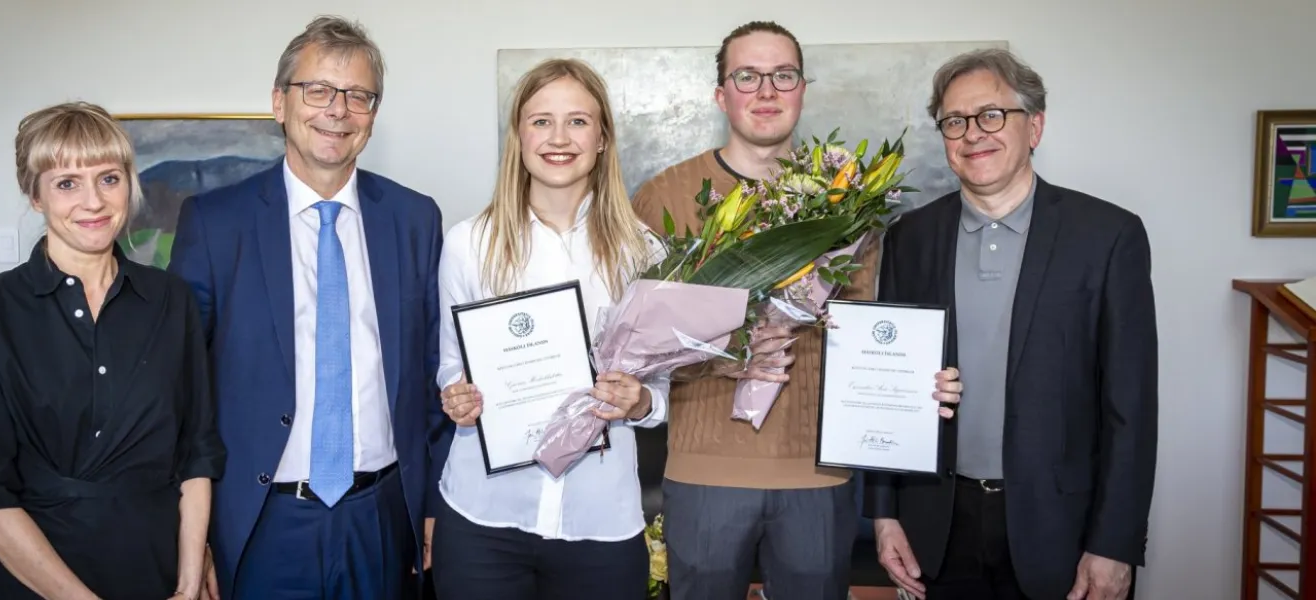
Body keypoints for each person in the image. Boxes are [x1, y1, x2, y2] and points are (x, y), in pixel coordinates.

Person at [630, 21, 963, 600]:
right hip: (704, 472)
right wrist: (730, 351)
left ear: (803, 89)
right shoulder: (666, 196)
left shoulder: (851, 198)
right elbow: (640, 342)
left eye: (783, 75)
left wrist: (915, 383)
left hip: (821, 475)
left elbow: (869, 330)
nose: (766, 90)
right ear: (720, 95)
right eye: (747, 76)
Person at [167, 15, 451, 600]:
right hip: (260, 522)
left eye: (358, 95)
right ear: (280, 103)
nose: (337, 110)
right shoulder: (216, 223)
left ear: (373, 114)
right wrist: (194, 537)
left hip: (382, 517)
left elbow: (434, 372)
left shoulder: (414, 218)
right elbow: (181, 389)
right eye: (318, 90)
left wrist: (433, 505)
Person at [866, 47, 1158, 600]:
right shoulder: (910, 239)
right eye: (955, 121)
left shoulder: (1108, 237)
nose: (973, 133)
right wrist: (885, 516)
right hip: (936, 528)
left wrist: (1115, 543)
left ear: (1035, 127)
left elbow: (1132, 409)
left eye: (992, 115)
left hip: (1065, 532)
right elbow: (886, 386)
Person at [0, 101, 224, 600]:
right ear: (35, 196)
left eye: (109, 179)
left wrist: (189, 578)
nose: (94, 202)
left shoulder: (171, 300)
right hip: (37, 578)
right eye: (67, 183)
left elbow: (197, 450)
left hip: (158, 570)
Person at [431, 57, 667, 600]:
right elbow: (450, 363)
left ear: (602, 138)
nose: (559, 138)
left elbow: (666, 390)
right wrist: (457, 395)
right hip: (483, 516)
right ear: (518, 135)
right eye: (541, 121)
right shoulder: (469, 244)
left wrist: (638, 402)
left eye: (578, 121)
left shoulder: (643, 252)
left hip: (600, 520)